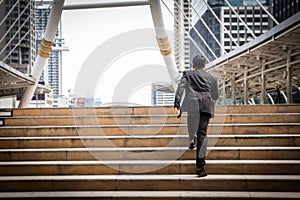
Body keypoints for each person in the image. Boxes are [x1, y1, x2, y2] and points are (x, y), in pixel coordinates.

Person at [174, 55, 219, 177]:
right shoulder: (213, 78)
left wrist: (177, 104)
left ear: (193, 65)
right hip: (205, 106)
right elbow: (215, 96)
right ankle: (200, 168)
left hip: (192, 104)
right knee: (202, 135)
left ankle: (191, 139)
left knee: (191, 123)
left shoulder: (187, 74)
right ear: (205, 66)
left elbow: (180, 89)